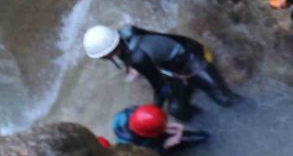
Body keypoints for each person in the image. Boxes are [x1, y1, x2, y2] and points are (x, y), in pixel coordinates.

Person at [82, 21, 235, 118]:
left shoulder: (137, 58)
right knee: (177, 110)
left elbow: (161, 88)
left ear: (108, 53)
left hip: (192, 58)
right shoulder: (127, 32)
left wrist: (153, 110)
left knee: (225, 99)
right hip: (174, 63)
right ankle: (211, 121)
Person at [110, 102, 212, 156]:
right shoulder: (130, 145)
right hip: (149, 150)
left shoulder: (133, 113)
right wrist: (166, 145)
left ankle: (202, 139)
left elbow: (155, 122)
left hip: (151, 137)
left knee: (194, 138)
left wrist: (165, 127)